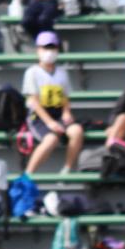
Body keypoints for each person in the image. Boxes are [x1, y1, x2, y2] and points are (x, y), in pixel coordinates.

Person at [22, 30, 84, 173]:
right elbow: (34, 101)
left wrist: (66, 112)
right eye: (45, 48)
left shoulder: (62, 72)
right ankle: (29, 174)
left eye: (52, 48)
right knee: (51, 139)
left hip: (58, 112)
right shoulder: (32, 72)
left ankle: (67, 169)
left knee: (76, 131)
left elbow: (65, 97)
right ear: (38, 50)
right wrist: (50, 123)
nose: (49, 52)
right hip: (39, 116)